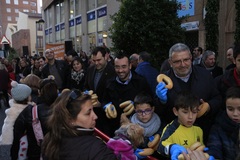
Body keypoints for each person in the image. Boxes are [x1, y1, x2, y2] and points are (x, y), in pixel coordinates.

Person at [156, 43, 222, 143]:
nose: (183, 65)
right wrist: (161, 101)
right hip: (175, 136)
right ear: (170, 62)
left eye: (186, 60)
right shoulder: (163, 81)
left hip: (203, 133)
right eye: (177, 61)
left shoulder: (205, 75)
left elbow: (217, 98)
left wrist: (208, 106)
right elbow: (156, 110)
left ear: (191, 58)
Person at [41, 89, 117, 160]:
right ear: (69, 119)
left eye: (93, 110)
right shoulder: (95, 148)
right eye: (88, 113)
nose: (95, 116)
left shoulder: (48, 140)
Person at [102, 53, 152, 137]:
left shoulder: (140, 81)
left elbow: (150, 100)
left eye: (123, 66)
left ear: (130, 66)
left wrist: (136, 104)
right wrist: (106, 106)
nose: (120, 70)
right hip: (114, 129)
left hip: (135, 130)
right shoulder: (109, 83)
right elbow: (104, 100)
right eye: (117, 67)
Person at [11, 78, 58, 160]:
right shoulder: (65, 110)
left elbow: (17, 134)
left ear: (39, 92)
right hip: (60, 152)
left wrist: (14, 156)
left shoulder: (30, 111)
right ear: (56, 92)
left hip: (35, 153)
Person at [158, 92, 204, 160]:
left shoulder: (198, 130)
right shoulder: (171, 129)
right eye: (185, 112)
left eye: (194, 112)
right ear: (175, 111)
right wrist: (171, 148)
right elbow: (160, 147)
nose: (190, 117)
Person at [84, 46, 116, 133]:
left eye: (99, 60)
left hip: (107, 119)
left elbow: (115, 94)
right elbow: (86, 86)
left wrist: (101, 104)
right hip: (93, 115)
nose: (96, 63)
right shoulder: (90, 69)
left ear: (106, 56)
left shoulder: (113, 71)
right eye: (94, 61)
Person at [207, 86, 240, 160]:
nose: (235, 113)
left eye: (239, 109)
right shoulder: (218, 127)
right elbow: (214, 150)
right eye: (230, 109)